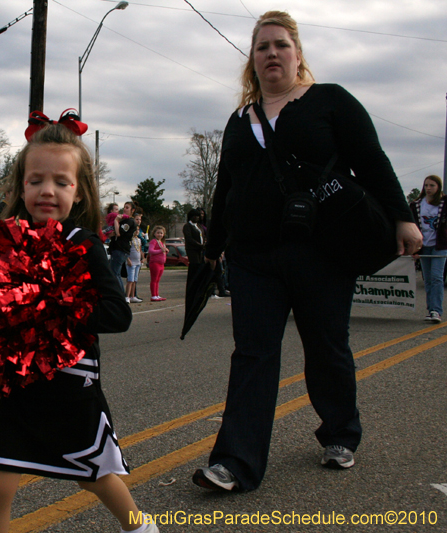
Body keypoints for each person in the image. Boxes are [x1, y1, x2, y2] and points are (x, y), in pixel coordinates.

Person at [192, 11, 421, 493]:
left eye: (281, 45)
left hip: (322, 255)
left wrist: (404, 218)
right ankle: (235, 462)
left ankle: (340, 433)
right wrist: (213, 250)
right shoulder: (238, 121)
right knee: (253, 354)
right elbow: (225, 191)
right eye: (262, 47)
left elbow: (372, 159)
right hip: (253, 259)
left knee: (326, 347)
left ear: (298, 55)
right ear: (251, 61)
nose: (271, 53)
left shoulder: (330, 102)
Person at [0, 122, 157, 533]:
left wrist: (49, 305)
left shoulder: (84, 243)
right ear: (20, 188)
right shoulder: (8, 241)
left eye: (61, 181)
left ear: (78, 191)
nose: (47, 190)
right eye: (35, 180)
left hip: (70, 384)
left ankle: (141, 528)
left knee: (91, 474)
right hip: (23, 383)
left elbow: (118, 314)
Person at [410, 175, 446, 322]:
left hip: (440, 245)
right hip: (423, 246)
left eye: (432, 185)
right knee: (428, 279)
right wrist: (414, 250)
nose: (429, 188)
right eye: (426, 186)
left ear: (438, 187)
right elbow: (412, 226)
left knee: (437, 277)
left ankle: (436, 310)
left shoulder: (444, 203)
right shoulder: (417, 205)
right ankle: (430, 310)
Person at [108, 202, 136, 294]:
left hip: (120, 249)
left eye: (127, 208)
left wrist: (116, 221)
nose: (124, 209)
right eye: (124, 207)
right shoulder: (123, 220)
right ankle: (120, 295)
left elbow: (119, 232)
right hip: (116, 248)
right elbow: (114, 232)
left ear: (132, 210)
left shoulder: (129, 221)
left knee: (114, 273)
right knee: (116, 273)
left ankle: (120, 296)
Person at [125, 212, 144, 303]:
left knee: (135, 280)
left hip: (137, 262)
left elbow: (140, 249)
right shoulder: (130, 239)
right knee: (130, 280)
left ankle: (133, 296)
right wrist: (128, 259)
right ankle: (127, 296)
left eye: (138, 230)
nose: (137, 231)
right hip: (131, 261)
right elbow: (126, 250)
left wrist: (142, 258)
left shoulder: (138, 239)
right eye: (135, 230)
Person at [182, 209, 204, 284]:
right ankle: (194, 281)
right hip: (192, 249)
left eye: (198, 216)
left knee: (200, 265)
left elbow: (203, 235)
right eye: (195, 216)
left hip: (200, 250)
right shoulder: (187, 226)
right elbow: (189, 238)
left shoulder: (199, 226)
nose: (197, 218)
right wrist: (199, 245)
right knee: (195, 265)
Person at [148, 225, 168, 301]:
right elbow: (151, 251)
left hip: (161, 263)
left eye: (161, 233)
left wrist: (165, 251)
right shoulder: (153, 241)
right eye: (158, 233)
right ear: (154, 233)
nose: (159, 234)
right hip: (155, 263)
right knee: (154, 279)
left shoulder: (161, 242)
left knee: (157, 280)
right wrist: (161, 250)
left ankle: (157, 294)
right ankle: (153, 295)